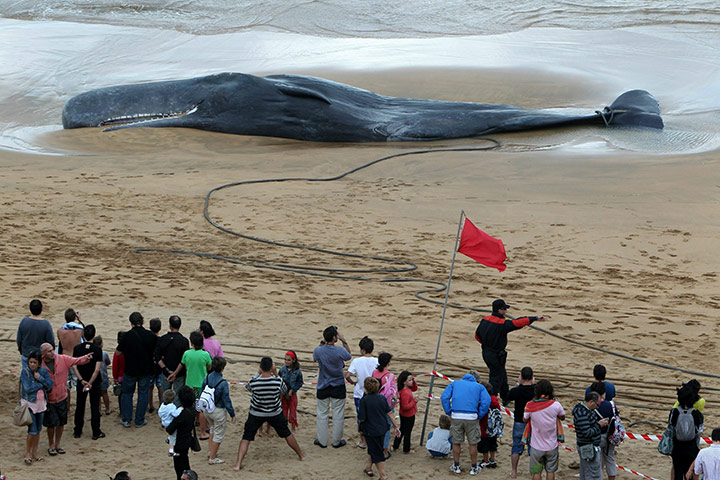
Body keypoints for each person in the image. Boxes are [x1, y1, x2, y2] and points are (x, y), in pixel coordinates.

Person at [231, 356, 305, 471]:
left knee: (246, 438)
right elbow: (284, 389)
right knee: (287, 433)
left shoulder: (255, 382)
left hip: (256, 413)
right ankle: (301, 455)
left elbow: (248, 386)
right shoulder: (277, 381)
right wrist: (276, 374)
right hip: (274, 412)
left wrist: (257, 373)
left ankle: (238, 464)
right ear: (271, 367)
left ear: (261, 367)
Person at [474, 299, 546, 403]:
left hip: (486, 352)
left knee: (501, 373)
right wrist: (534, 318)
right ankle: (490, 399)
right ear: (499, 310)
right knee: (495, 378)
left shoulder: (485, 320)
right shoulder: (502, 324)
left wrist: (486, 345)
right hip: (496, 354)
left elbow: (477, 336)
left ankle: (505, 396)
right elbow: (518, 323)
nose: (506, 311)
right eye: (504, 309)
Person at [40, 342, 91, 456]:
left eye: (52, 350)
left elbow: (76, 360)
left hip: (62, 397)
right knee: (51, 424)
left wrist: (86, 358)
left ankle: (58, 444)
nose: (52, 352)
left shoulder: (62, 359)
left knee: (61, 423)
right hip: (49, 399)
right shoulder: (40, 364)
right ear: (43, 354)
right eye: (49, 351)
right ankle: (51, 445)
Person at [440, 370, 492, 475]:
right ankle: (473, 467)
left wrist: (448, 411)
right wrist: (480, 414)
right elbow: (487, 401)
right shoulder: (479, 387)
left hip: (456, 415)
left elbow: (444, 397)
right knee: (473, 443)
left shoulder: (455, 384)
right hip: (472, 416)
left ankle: (456, 465)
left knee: (456, 442)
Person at [313, 325, 351, 448]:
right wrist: (343, 340)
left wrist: (323, 342)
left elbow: (316, 356)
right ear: (335, 338)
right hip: (338, 385)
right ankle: (336, 441)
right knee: (338, 414)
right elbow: (348, 355)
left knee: (322, 414)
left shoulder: (318, 350)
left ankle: (322, 441)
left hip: (323, 384)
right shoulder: (339, 350)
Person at [118, 311, 158, 428]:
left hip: (131, 369)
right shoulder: (150, 335)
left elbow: (118, 352)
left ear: (131, 322)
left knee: (127, 393)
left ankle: (126, 419)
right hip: (145, 368)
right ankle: (139, 419)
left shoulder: (127, 336)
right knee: (143, 393)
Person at [168, 331, 211, 439]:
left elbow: (182, 364)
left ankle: (190, 425)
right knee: (201, 408)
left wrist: (174, 374)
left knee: (189, 406)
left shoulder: (187, 353)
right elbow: (209, 367)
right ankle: (202, 432)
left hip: (189, 384)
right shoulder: (205, 354)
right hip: (201, 385)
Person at [359, 377, 401, 480]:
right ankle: (368, 467)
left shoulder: (364, 401)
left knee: (376, 452)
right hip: (382, 428)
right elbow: (390, 413)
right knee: (375, 448)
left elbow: (362, 418)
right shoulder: (382, 398)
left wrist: (360, 430)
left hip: (371, 430)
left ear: (366, 389)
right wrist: (396, 426)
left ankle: (383, 475)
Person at [524, 379, 566, 480]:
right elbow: (562, 416)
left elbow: (525, 419)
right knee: (550, 471)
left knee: (537, 471)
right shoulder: (556, 405)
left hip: (536, 447)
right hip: (552, 446)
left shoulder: (530, 405)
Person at [72, 324, 105, 440]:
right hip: (93, 382)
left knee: (80, 405)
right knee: (95, 406)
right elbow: (97, 369)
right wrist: (90, 382)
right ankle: (96, 432)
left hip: (82, 380)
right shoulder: (97, 350)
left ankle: (77, 430)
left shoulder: (77, 348)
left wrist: (81, 380)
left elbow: (74, 366)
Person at [20, 350, 53, 465]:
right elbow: (28, 388)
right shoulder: (25, 372)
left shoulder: (43, 371)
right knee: (32, 430)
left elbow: (50, 384)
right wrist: (40, 383)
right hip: (29, 404)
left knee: (38, 430)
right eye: (30, 362)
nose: (32, 364)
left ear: (39, 363)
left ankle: (34, 453)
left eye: (34, 362)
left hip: (41, 404)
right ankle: (28, 453)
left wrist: (41, 379)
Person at [202, 356, 237, 464]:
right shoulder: (223, 383)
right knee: (218, 433)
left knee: (212, 429)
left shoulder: (206, 377)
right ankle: (212, 458)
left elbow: (202, 391)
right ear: (223, 368)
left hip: (207, 408)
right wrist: (232, 414)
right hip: (218, 410)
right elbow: (227, 400)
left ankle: (210, 451)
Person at [345, 335, 377, 449]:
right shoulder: (376, 361)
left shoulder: (357, 361)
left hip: (360, 393)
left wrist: (353, 382)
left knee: (361, 417)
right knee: (373, 416)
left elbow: (347, 375)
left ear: (363, 350)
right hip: (374, 393)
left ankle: (363, 441)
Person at [507, 366, 536, 478]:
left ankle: (514, 471)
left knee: (516, 447)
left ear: (521, 377)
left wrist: (518, 385)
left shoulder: (517, 391)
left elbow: (507, 396)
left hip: (519, 421)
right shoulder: (535, 390)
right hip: (533, 422)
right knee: (534, 450)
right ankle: (535, 472)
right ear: (532, 377)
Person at [669, 385, 704, 480]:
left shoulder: (674, 412)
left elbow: (671, 428)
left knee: (678, 473)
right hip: (691, 447)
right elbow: (699, 431)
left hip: (677, 447)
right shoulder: (696, 414)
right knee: (690, 473)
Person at [572, 391, 608, 480]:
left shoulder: (585, 411)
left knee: (586, 472)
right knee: (593, 475)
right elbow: (587, 432)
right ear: (591, 402)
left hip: (588, 447)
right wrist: (599, 425)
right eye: (597, 405)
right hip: (588, 447)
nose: (597, 407)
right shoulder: (582, 413)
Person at [155, 315, 189, 407]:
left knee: (165, 395)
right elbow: (184, 360)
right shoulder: (184, 341)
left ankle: (165, 415)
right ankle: (175, 415)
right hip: (179, 372)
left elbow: (157, 357)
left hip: (167, 372)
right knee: (177, 396)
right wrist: (175, 373)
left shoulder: (163, 339)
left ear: (170, 325)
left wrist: (166, 370)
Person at [166, 386, 197, 480]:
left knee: (180, 468)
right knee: (184, 462)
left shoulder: (182, 414)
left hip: (179, 443)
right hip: (187, 440)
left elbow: (170, 429)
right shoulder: (192, 410)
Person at [589, 382, 618, 480]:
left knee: (596, 461)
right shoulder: (610, 405)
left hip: (596, 436)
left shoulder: (591, 405)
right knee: (610, 459)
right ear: (603, 393)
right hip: (610, 436)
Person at [372, 352, 397, 459]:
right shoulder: (389, 376)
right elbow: (393, 392)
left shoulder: (374, 373)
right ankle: (385, 451)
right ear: (388, 363)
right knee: (387, 427)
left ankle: (377, 447)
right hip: (385, 404)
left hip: (374, 403)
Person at [17, 299, 54, 368]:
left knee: (27, 375)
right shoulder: (46, 324)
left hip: (27, 355)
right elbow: (50, 342)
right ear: (41, 309)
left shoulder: (24, 321)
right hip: (40, 357)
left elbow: (19, 340)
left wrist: (21, 351)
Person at [393, 370, 418, 454]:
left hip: (403, 414)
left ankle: (395, 446)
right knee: (407, 432)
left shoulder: (404, 389)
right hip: (408, 415)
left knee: (402, 430)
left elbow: (415, 388)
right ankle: (406, 449)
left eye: (412, 379)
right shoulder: (405, 393)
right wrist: (414, 402)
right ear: (404, 382)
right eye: (410, 380)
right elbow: (405, 407)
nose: (412, 381)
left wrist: (413, 381)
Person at [278, 350, 303, 432]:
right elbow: (279, 380)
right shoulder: (282, 369)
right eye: (285, 359)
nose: (286, 361)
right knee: (283, 411)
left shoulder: (297, 371)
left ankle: (293, 427)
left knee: (292, 411)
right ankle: (284, 427)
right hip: (283, 394)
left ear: (293, 360)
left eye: (289, 360)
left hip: (292, 394)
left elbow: (300, 382)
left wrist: (293, 389)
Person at [478, 381, 500, 469]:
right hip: (494, 428)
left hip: (484, 428)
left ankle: (486, 461)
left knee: (484, 446)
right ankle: (493, 460)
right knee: (493, 444)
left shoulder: (483, 402)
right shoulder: (495, 400)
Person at [92, 335, 113, 415]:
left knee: (97, 394)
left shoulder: (92, 354)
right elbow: (108, 362)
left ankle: (99, 410)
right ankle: (107, 409)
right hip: (103, 376)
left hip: (95, 376)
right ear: (101, 344)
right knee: (104, 393)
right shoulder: (104, 353)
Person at [158, 389, 182, 456]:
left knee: (169, 432)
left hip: (164, 422)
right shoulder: (172, 406)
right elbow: (175, 414)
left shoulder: (162, 405)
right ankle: (171, 450)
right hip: (170, 423)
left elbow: (159, 413)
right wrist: (180, 409)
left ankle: (168, 439)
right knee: (173, 436)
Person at [148, 317, 163, 414]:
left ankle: (151, 405)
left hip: (149, 366)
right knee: (160, 386)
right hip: (159, 366)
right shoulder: (161, 340)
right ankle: (161, 404)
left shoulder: (148, 339)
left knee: (150, 387)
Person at [112, 331, 125, 414]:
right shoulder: (128, 349)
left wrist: (115, 377)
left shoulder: (117, 352)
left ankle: (122, 411)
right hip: (128, 374)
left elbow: (115, 366)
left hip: (120, 376)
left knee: (121, 395)